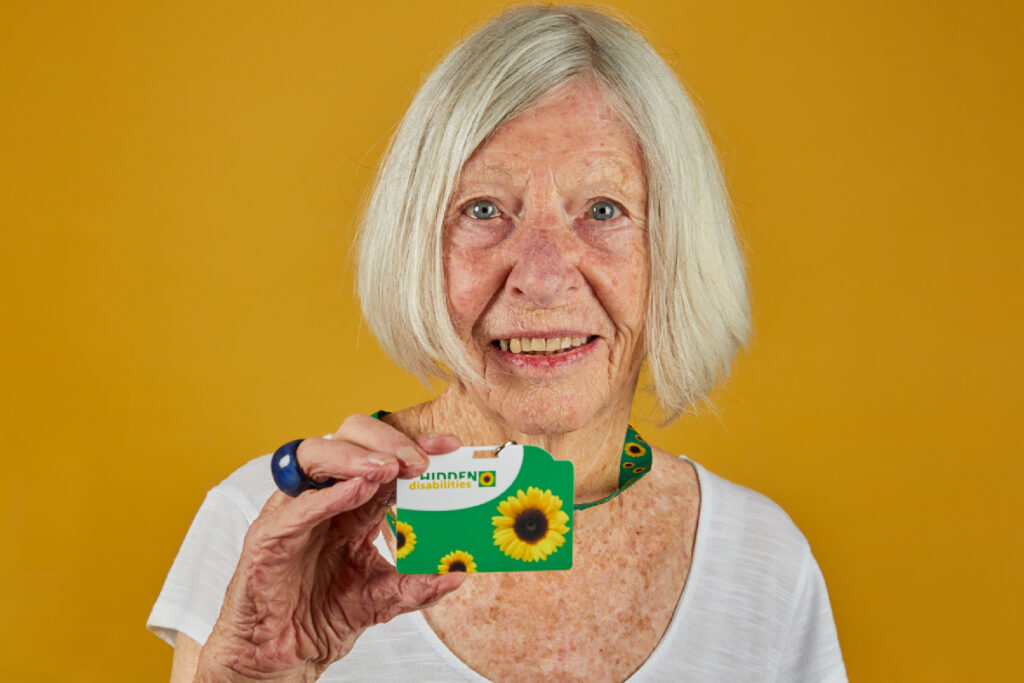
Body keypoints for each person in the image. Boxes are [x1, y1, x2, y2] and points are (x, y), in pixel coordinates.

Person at [149, 5, 846, 681]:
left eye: (604, 209)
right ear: (417, 244)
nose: (542, 278)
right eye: (483, 209)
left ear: (677, 250)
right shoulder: (275, 530)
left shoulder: (765, 560)